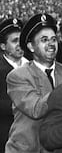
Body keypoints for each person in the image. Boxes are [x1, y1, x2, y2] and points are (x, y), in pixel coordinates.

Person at [6, 13, 62, 153]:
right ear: (31, 46)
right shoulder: (17, 76)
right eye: (44, 40)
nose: (51, 44)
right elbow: (36, 109)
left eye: (53, 39)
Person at [0, 18, 26, 153]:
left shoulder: (33, 65)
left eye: (21, 40)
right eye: (14, 41)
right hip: (7, 137)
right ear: (3, 46)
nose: (19, 44)